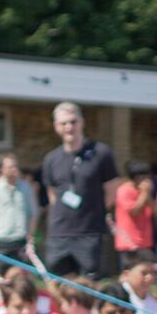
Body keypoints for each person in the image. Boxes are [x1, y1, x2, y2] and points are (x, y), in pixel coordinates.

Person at [39, 102, 122, 277]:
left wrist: (92, 211)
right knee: (58, 284)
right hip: (59, 233)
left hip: (89, 232)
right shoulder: (51, 159)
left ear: (82, 123)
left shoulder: (101, 153)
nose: (69, 127)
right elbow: (52, 195)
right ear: (56, 127)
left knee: (87, 287)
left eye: (73, 122)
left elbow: (112, 191)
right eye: (63, 123)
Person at [0, 155, 39, 268]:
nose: (14, 169)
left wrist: (30, 236)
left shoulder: (26, 187)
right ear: (1, 169)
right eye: (10, 167)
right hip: (0, 242)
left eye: (16, 166)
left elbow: (33, 213)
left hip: (20, 241)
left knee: (21, 280)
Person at [113, 161, 156, 263]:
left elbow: (154, 210)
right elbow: (134, 211)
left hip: (145, 242)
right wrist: (145, 193)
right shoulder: (124, 191)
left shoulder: (143, 192)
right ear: (136, 177)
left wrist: (147, 194)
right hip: (129, 242)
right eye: (144, 177)